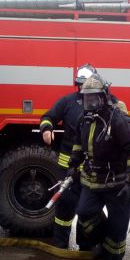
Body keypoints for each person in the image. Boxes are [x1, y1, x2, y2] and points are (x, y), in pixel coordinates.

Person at [69, 74, 130, 260]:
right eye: (86, 99)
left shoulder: (119, 120)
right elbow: (78, 144)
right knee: (84, 213)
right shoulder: (83, 119)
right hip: (92, 180)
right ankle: (103, 245)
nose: (90, 103)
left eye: (94, 98)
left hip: (118, 183)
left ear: (104, 97)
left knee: (117, 228)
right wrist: (73, 165)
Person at [39, 64, 97, 249]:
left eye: (86, 83)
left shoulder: (102, 102)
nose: (82, 88)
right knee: (65, 206)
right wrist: (47, 129)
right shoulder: (67, 102)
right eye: (80, 83)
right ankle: (60, 245)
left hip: (91, 168)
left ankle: (85, 246)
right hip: (68, 168)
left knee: (86, 210)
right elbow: (48, 117)